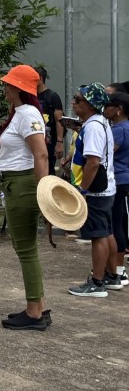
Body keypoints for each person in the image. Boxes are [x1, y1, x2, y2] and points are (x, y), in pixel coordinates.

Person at [0, 64, 50, 331]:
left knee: (26, 249)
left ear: (19, 88)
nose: (4, 87)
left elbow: (41, 154)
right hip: (17, 183)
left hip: (23, 184)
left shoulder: (27, 114)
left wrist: (43, 190)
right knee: (24, 246)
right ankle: (38, 305)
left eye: (8, 84)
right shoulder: (20, 113)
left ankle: (34, 312)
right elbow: (6, 143)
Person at [67, 82, 119, 297]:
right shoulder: (98, 122)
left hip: (95, 191)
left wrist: (82, 189)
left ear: (90, 104)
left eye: (78, 100)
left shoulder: (93, 127)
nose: (73, 102)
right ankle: (112, 275)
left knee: (98, 235)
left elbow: (93, 162)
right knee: (106, 232)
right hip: (105, 188)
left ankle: (97, 283)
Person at [102, 91, 129, 288]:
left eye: (108, 105)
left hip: (117, 179)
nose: (105, 109)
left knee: (113, 224)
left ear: (119, 109)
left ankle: (117, 269)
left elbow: (106, 152)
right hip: (123, 178)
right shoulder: (124, 126)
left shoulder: (118, 129)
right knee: (118, 222)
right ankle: (118, 269)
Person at [35, 66, 64, 175]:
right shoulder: (31, 96)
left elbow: (59, 120)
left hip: (50, 141)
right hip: (35, 140)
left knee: (48, 170)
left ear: (40, 78)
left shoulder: (52, 96)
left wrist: (59, 142)